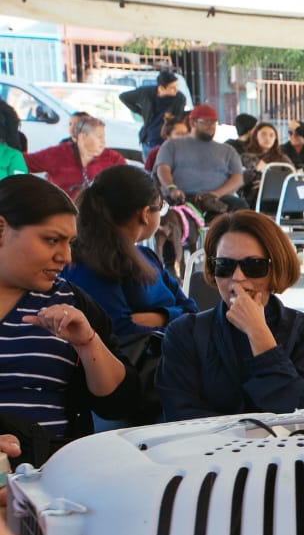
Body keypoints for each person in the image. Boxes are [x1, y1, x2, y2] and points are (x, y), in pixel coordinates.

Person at [0, 175, 136, 465]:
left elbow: (117, 404)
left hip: (52, 476)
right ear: (1, 229)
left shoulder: (72, 304)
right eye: (51, 240)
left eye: (70, 243)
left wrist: (88, 344)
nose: (65, 257)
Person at [159, 210, 304, 421]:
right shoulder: (184, 334)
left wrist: (258, 334)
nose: (238, 277)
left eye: (254, 266)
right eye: (224, 265)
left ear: (275, 267)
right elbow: (180, 414)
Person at [60, 165, 196, 341]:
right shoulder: (92, 266)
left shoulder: (147, 256)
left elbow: (192, 311)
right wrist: (176, 315)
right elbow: (118, 332)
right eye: (160, 207)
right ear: (146, 214)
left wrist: (160, 317)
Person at [154, 104, 246, 219]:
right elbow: (163, 169)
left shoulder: (228, 150)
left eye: (213, 123)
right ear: (193, 123)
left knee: (240, 207)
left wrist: (216, 194)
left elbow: (237, 178)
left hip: (216, 198)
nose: (211, 126)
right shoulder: (171, 145)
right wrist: (172, 188)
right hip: (181, 197)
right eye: (206, 122)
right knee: (166, 211)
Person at [23, 114, 124, 198]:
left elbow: (126, 183)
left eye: (103, 137)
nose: (103, 142)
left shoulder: (113, 158)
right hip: (62, 212)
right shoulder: (57, 154)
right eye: (99, 137)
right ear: (82, 137)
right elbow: (22, 161)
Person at [119, 70, 185, 158]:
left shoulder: (179, 98)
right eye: (172, 87)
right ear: (161, 88)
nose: (175, 90)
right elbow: (124, 97)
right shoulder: (146, 93)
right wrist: (139, 111)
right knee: (149, 168)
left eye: (176, 86)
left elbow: (179, 118)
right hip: (149, 140)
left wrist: (171, 118)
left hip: (168, 141)